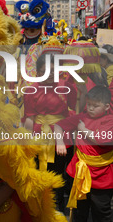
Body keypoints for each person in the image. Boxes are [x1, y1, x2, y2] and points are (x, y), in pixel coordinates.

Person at [23, 53, 79, 212]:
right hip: (39, 137)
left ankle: (57, 208)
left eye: (52, 72)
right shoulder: (31, 90)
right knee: (40, 174)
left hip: (60, 138)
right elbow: (29, 119)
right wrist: (25, 143)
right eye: (44, 72)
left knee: (58, 175)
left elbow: (73, 110)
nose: (48, 76)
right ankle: (40, 208)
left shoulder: (66, 87)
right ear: (37, 73)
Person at [55, 85, 113, 222]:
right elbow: (58, 125)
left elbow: (101, 140)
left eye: (95, 106)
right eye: (89, 104)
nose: (91, 108)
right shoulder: (82, 117)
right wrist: (60, 141)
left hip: (102, 176)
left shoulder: (110, 121)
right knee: (79, 211)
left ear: (106, 107)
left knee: (101, 211)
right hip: (80, 173)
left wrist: (83, 129)